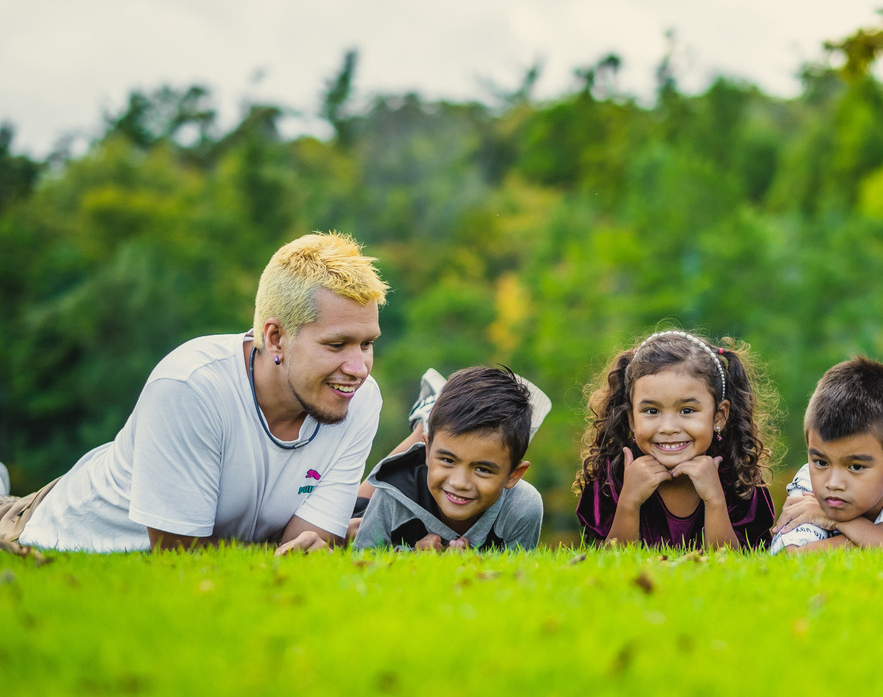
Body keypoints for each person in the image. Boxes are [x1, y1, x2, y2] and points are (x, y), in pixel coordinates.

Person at [3, 232, 387, 554]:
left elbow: (303, 545)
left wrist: (302, 550)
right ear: (275, 338)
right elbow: (179, 554)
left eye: (367, 344)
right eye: (336, 345)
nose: (358, 368)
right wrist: (275, 554)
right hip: (41, 525)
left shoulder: (360, 399)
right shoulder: (190, 385)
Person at [576, 329, 776, 550]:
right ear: (632, 420)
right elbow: (610, 567)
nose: (669, 428)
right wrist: (629, 503)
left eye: (687, 410)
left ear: (719, 416)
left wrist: (714, 500)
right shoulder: (613, 476)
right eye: (652, 411)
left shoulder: (738, 476)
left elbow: (736, 568)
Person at [770, 357, 883, 554]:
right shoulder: (808, 481)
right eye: (821, 462)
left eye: (856, 466)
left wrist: (842, 524)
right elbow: (790, 555)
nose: (833, 483)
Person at [352, 366, 544, 552]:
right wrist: (412, 556)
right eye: (448, 460)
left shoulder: (523, 506)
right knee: (348, 522)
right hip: (370, 508)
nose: (460, 483)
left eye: (483, 469)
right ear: (427, 451)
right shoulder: (391, 493)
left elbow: (515, 577)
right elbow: (363, 566)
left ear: (514, 475)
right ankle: (424, 423)